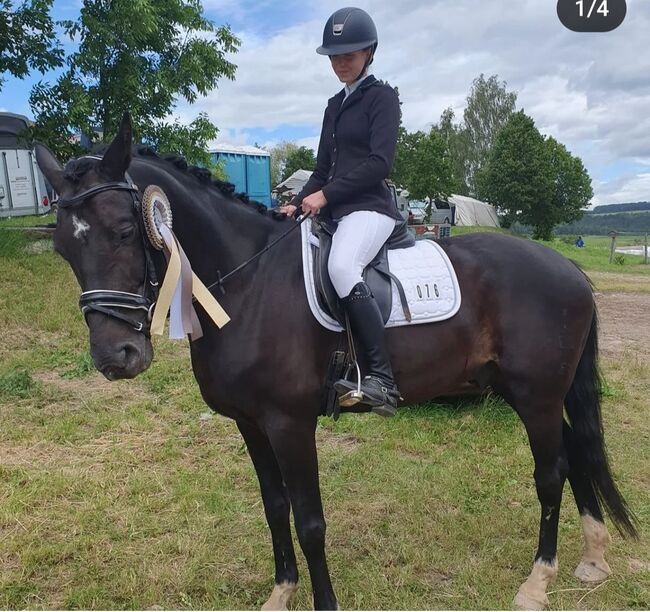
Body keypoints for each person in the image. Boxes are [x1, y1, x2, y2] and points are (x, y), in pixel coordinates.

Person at [280, 7, 402, 416]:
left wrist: (326, 196)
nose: (341, 62)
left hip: (370, 208)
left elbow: (379, 163)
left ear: (369, 51)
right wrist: (298, 202)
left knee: (342, 267)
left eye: (349, 53)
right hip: (334, 209)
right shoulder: (334, 105)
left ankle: (382, 379)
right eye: (334, 55)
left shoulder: (382, 98)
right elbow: (321, 170)